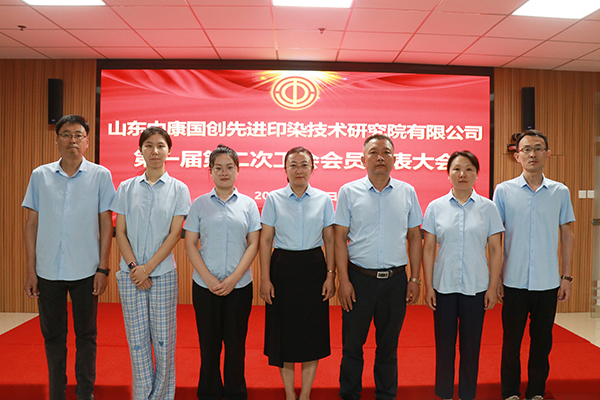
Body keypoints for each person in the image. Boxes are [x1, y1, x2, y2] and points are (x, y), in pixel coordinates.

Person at [22, 114, 115, 400]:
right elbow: (31, 224)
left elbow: (106, 224)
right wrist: (31, 270)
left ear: (87, 141)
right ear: (57, 140)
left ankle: (85, 393)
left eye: (78, 135)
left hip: (86, 269)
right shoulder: (40, 175)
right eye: (66, 134)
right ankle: (57, 393)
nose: (72, 140)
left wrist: (103, 269)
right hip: (48, 270)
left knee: (86, 336)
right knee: (53, 337)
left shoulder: (101, 175)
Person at [335, 134, 423, 400]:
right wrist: (343, 280)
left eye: (386, 152)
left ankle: (386, 395)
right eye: (373, 152)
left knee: (388, 347)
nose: (380, 157)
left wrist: (415, 279)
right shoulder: (348, 191)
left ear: (395, 159)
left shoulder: (407, 192)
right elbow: (339, 237)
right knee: (352, 346)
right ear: (363, 159)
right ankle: (349, 394)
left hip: (395, 281)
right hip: (358, 279)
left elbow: (414, 236)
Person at [493, 130, 575, 400]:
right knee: (511, 343)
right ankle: (510, 392)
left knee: (542, 343)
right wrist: (496, 279)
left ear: (547, 154)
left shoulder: (560, 192)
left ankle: (536, 391)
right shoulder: (503, 191)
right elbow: (495, 237)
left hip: (547, 281)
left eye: (538, 148)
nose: (532, 154)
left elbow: (567, 234)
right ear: (517, 156)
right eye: (526, 149)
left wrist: (567, 277)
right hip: (513, 280)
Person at [111, 126, 191, 400]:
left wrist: (148, 269)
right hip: (130, 275)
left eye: (160, 146)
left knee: (163, 342)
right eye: (148, 146)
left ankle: (162, 397)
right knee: (137, 342)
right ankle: (143, 396)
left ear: (169, 150)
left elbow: (175, 234)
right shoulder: (126, 187)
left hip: (163, 274)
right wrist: (135, 268)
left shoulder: (179, 189)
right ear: (141, 150)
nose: (154, 151)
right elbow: (120, 232)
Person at [422, 150, 504, 400]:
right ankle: (444, 394)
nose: (462, 174)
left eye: (469, 169)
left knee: (471, 347)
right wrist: (428, 287)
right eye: (456, 169)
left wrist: (492, 287)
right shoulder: (435, 207)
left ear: (477, 174)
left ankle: (468, 394)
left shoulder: (488, 208)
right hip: (443, 286)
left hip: (476, 287)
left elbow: (495, 249)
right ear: (448, 174)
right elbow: (428, 248)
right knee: (444, 346)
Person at [184, 145, 261, 400]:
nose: (224, 172)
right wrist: (208, 278)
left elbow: (253, 244)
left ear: (238, 170)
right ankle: (209, 393)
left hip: (239, 287)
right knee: (209, 346)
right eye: (218, 168)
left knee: (236, 347)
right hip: (204, 287)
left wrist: (233, 279)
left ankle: (235, 394)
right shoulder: (199, 204)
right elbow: (190, 244)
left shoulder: (249, 205)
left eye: (229, 167)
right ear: (210, 171)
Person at [260, 146, 336, 400]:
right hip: (282, 267)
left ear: (312, 169)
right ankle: (290, 395)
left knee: (312, 334)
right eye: (293, 165)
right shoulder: (273, 199)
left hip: (314, 267)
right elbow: (265, 240)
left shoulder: (323, 199)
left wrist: (330, 275)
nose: (299, 170)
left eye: (304, 165)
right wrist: (265, 278)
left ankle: (305, 395)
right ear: (285, 169)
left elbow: (329, 239)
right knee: (284, 335)